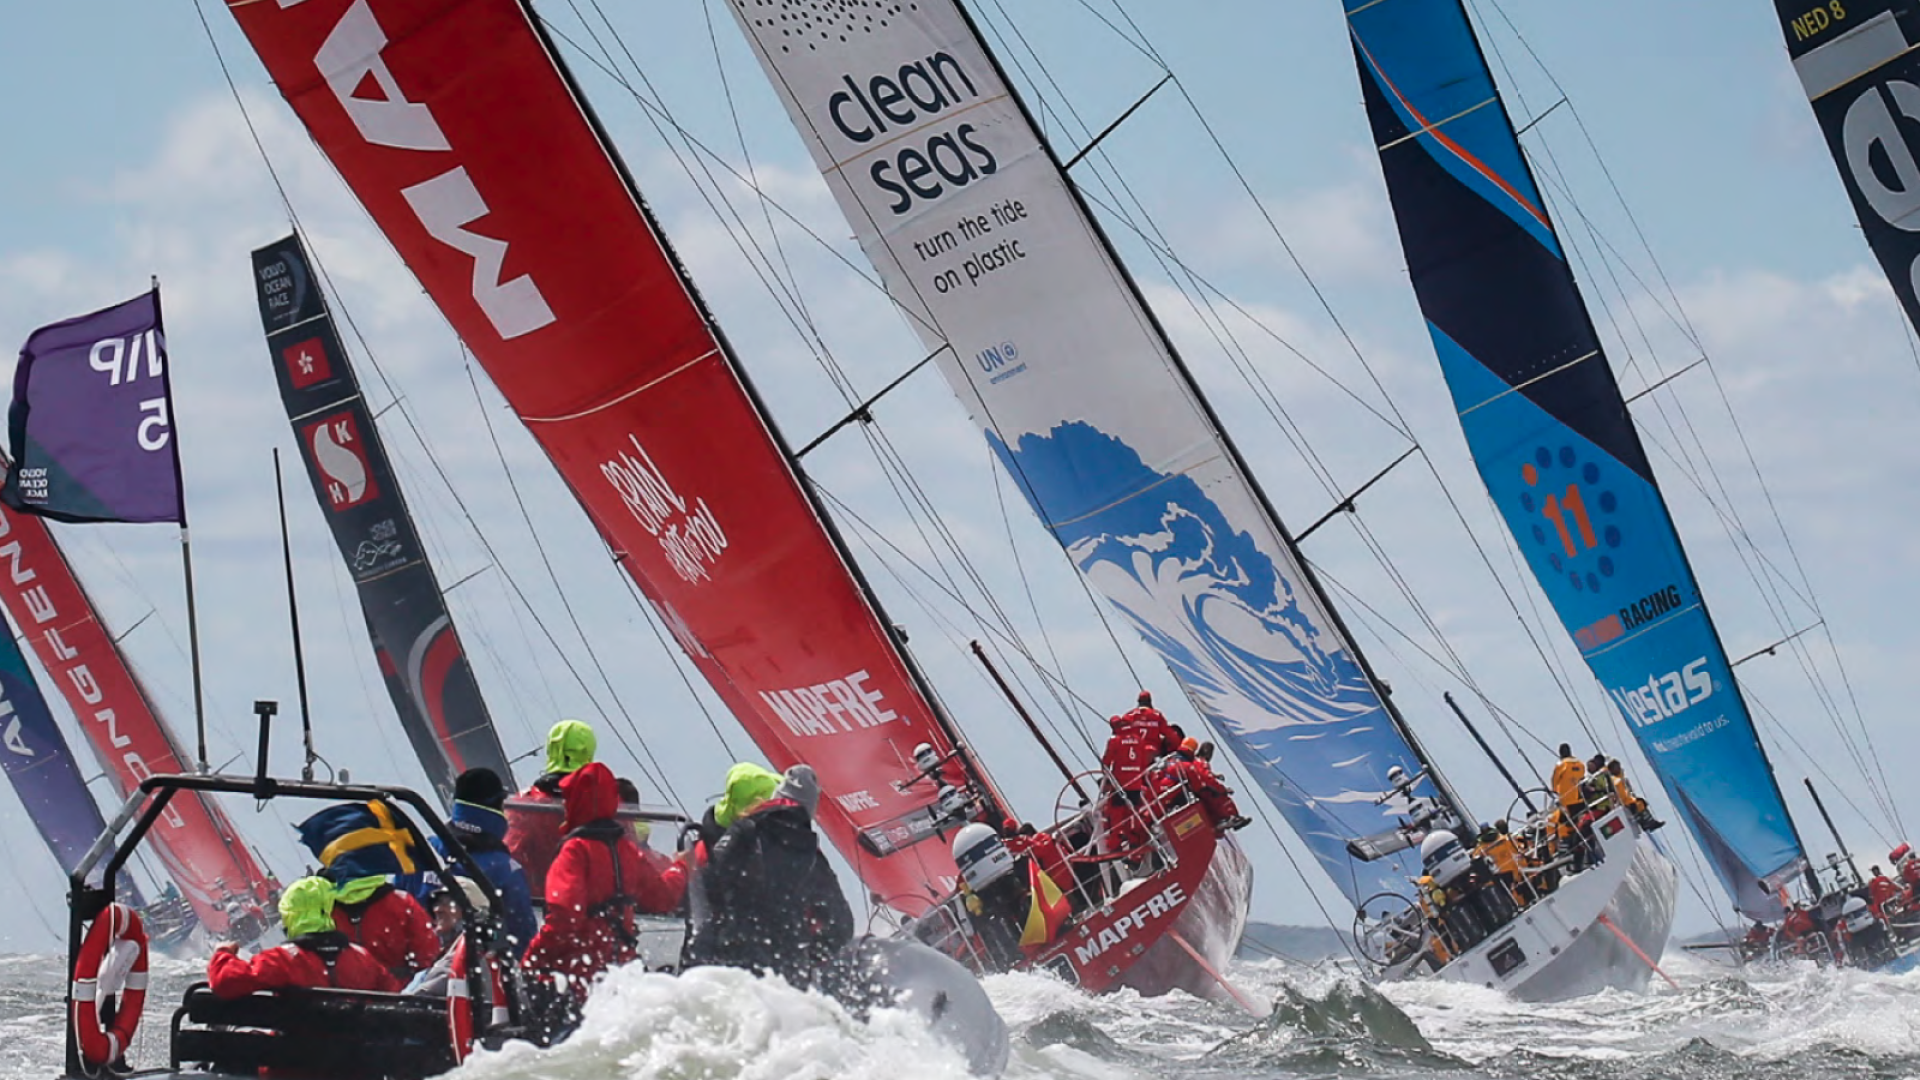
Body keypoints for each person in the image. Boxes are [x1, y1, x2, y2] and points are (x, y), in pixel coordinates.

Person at [683, 764, 853, 988]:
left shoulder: (746, 830)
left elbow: (708, 883)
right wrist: (808, 953)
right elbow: (842, 924)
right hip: (789, 969)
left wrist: (712, 939)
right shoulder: (813, 854)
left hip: (736, 958)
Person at [523, 762, 687, 990]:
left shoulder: (574, 851)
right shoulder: (629, 851)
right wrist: (681, 867)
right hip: (622, 971)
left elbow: (565, 916)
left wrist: (532, 959)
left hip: (580, 976)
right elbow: (663, 898)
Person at [296, 800, 442, 982]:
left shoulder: (320, 908)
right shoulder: (403, 904)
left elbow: (306, 962)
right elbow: (428, 958)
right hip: (399, 1001)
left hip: (340, 1003)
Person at [413, 767, 539, 960]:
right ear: (496, 806)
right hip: (472, 976)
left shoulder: (420, 850)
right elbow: (522, 939)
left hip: (413, 975)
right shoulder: (507, 869)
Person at [208, 877, 400, 999]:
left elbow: (225, 982)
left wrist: (223, 953)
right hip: (357, 1059)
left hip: (293, 1061)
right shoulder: (363, 958)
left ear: (290, 915)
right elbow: (393, 995)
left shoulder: (281, 959)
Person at [505, 719, 598, 897]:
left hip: (541, 902)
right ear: (588, 753)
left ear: (551, 750)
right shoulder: (605, 805)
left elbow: (510, 853)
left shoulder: (525, 804)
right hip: (591, 907)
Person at [1162, 737, 1251, 832]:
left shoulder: (1182, 760)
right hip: (1198, 789)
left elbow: (1200, 773)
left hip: (1186, 789)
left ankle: (1221, 820)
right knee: (1221, 796)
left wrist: (1214, 776)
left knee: (1212, 797)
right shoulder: (1200, 762)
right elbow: (1206, 778)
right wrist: (1223, 789)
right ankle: (1230, 818)